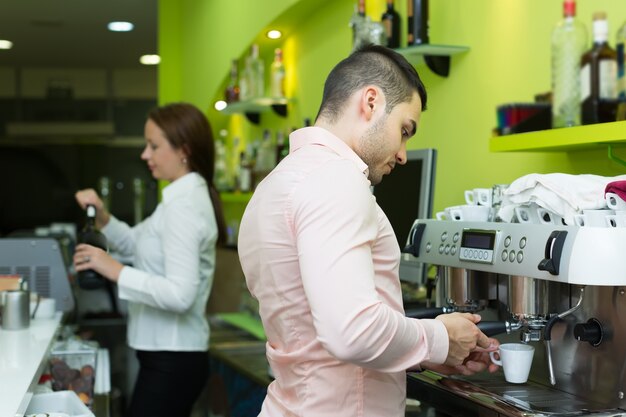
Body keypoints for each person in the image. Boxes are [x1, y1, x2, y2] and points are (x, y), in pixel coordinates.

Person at [237, 44, 500, 417]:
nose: (403, 154)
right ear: (371, 102)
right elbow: (352, 330)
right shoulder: (336, 179)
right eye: (405, 130)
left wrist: (416, 356)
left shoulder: (276, 183)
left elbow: (321, 338)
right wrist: (440, 339)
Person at [73, 102, 226, 417]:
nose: (145, 155)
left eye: (154, 146)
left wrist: (114, 270)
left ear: (183, 150)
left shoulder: (183, 207)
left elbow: (180, 294)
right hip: (168, 356)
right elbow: (135, 242)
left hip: (174, 359)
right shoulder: (176, 200)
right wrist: (103, 217)